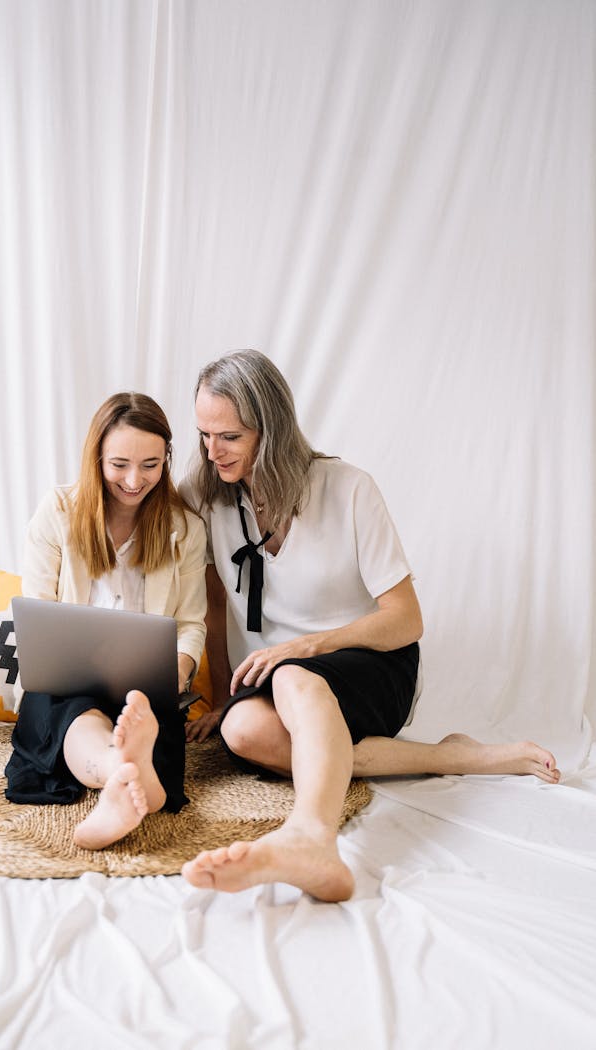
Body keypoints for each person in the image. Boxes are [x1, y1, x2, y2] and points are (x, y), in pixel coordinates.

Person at [180, 349, 560, 903]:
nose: (213, 452)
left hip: (374, 665)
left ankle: (311, 838)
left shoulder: (348, 488)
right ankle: (451, 755)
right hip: (279, 679)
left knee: (291, 678)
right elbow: (213, 606)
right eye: (204, 435)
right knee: (242, 732)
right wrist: (218, 696)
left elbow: (406, 620)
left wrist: (309, 646)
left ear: (273, 428)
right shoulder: (208, 496)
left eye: (230, 436)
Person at [5, 392, 206, 850]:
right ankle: (126, 773)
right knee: (71, 710)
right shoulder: (57, 513)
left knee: (144, 713)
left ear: (166, 459)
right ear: (95, 456)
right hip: (63, 688)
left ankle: (121, 774)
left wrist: (176, 671)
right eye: (119, 464)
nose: (135, 481)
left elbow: (192, 623)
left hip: (143, 694)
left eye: (151, 464)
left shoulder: (185, 529)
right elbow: (36, 614)